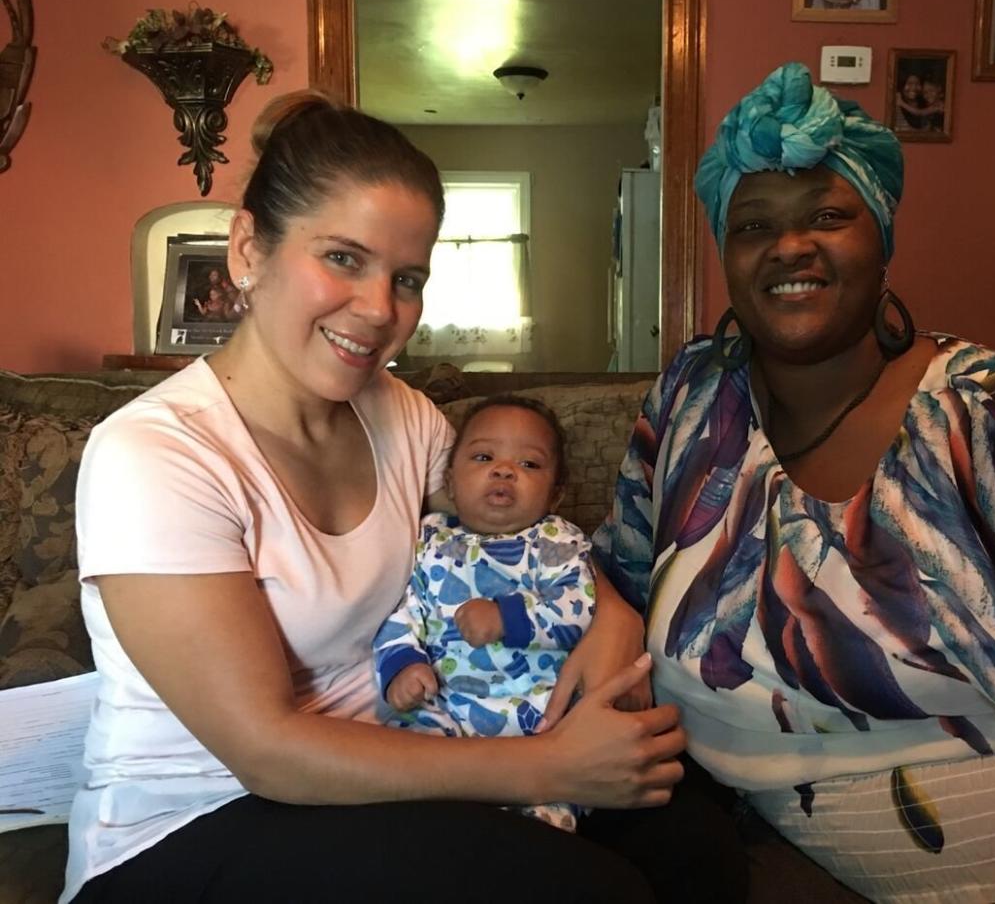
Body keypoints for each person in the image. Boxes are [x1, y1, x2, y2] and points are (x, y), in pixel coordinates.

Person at [593, 61, 995, 903]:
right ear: (725, 252)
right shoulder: (692, 398)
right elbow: (615, 574)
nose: (790, 246)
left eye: (828, 214)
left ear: (882, 236)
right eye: (753, 225)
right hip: (746, 854)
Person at [64, 91, 699, 904]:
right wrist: (552, 763)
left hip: (394, 755)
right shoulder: (155, 453)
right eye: (342, 258)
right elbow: (267, 751)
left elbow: (507, 530)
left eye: (406, 277)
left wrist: (613, 623)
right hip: (196, 822)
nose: (378, 310)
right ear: (249, 249)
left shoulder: (401, 416)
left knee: (691, 845)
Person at [374, 395, 594, 832]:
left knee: (569, 769)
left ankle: (543, 823)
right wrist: (403, 664)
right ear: (450, 483)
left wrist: (506, 616)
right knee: (406, 743)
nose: (504, 470)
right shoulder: (428, 539)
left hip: (538, 713)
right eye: (483, 456)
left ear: (557, 493)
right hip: (448, 704)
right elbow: (403, 609)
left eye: (529, 464)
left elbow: (579, 606)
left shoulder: (555, 541)